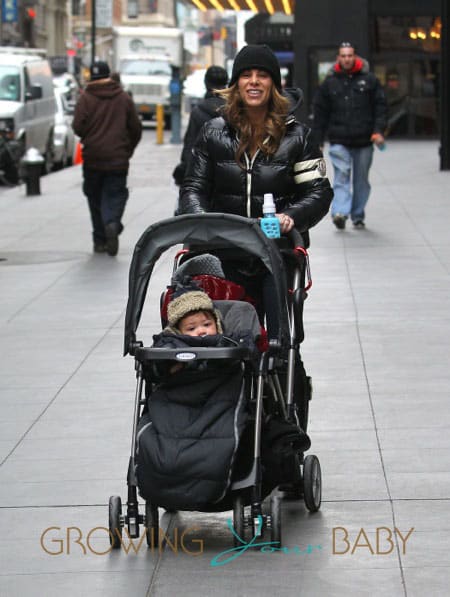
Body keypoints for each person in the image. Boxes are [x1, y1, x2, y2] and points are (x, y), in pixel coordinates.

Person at [179, 44, 333, 329]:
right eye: (246, 75)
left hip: (276, 253)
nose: (253, 81)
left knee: (280, 339)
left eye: (262, 75)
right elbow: (193, 188)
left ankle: (287, 370)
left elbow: (318, 192)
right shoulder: (213, 132)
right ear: (235, 83)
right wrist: (204, 221)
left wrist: (291, 217)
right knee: (227, 336)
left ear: (273, 84)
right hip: (222, 252)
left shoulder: (297, 137)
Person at [312, 41, 387, 230]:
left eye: (350, 55)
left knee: (361, 180)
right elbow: (320, 113)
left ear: (355, 57)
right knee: (341, 177)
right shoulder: (329, 83)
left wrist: (378, 130)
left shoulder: (369, 80)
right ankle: (340, 212)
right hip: (339, 140)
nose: (346, 59)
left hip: (364, 140)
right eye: (343, 55)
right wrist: (318, 141)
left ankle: (357, 214)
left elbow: (380, 107)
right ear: (338, 58)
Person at [72, 61, 142, 255]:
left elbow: (77, 126)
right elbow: (135, 128)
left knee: (94, 198)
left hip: (93, 157)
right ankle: (112, 222)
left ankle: (100, 240)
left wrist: (91, 136)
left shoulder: (85, 98)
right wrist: (127, 149)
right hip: (118, 158)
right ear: (108, 76)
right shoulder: (123, 98)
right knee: (116, 194)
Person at [172, 66, 228, 197]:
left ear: (206, 83)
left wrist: (184, 170)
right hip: (228, 175)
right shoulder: (234, 110)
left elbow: (190, 145)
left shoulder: (199, 111)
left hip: (202, 173)